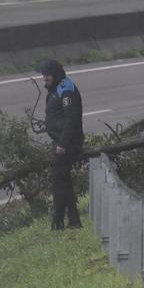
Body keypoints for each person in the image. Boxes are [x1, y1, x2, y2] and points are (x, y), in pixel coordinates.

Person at [39, 58, 84, 230]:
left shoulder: (67, 89)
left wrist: (63, 143)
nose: (45, 78)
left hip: (68, 143)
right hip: (60, 141)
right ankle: (73, 220)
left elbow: (71, 118)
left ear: (55, 73)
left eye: (47, 74)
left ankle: (58, 220)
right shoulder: (56, 88)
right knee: (63, 179)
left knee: (58, 178)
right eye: (43, 75)